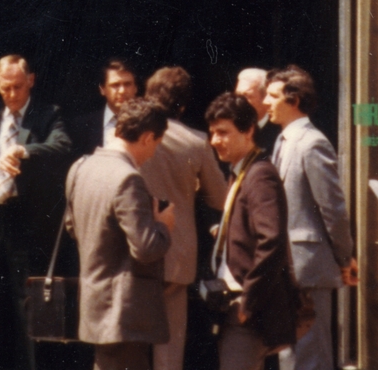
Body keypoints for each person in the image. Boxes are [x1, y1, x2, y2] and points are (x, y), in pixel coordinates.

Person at [0, 54, 72, 370]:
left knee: (26, 307)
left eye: (17, 87)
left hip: (24, 225)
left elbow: (63, 145)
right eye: (5, 88)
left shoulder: (47, 115)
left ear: (31, 81)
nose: (12, 95)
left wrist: (24, 150)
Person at [66, 96, 176, 370]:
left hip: (96, 306)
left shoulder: (80, 168)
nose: (153, 153)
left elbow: (73, 227)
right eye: (157, 144)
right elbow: (147, 247)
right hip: (123, 313)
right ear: (148, 137)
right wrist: (163, 225)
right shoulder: (128, 178)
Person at [264, 67, 357, 370]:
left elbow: (332, 209)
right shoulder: (283, 142)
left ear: (295, 100)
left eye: (273, 95)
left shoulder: (312, 143)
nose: (266, 102)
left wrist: (345, 258)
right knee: (292, 354)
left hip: (309, 268)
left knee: (309, 357)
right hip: (288, 267)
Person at [140, 66, 228, 370]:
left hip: (132, 251)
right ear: (183, 105)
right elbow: (220, 198)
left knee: (128, 346)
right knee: (169, 350)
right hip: (175, 255)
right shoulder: (195, 141)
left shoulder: (126, 135)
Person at [205, 91, 300, 370]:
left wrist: (249, 300)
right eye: (212, 133)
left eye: (223, 133)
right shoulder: (240, 172)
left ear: (248, 131)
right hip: (233, 307)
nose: (214, 141)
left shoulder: (259, 174)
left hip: (247, 309)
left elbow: (272, 241)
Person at [73, 58, 141, 154]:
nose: (122, 91)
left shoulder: (147, 125)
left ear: (135, 88)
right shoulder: (81, 127)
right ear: (102, 89)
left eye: (127, 84)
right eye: (115, 85)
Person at [236, 68, 279, 158]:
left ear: (264, 98)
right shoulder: (232, 128)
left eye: (246, 96)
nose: (239, 101)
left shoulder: (278, 132)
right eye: (237, 95)